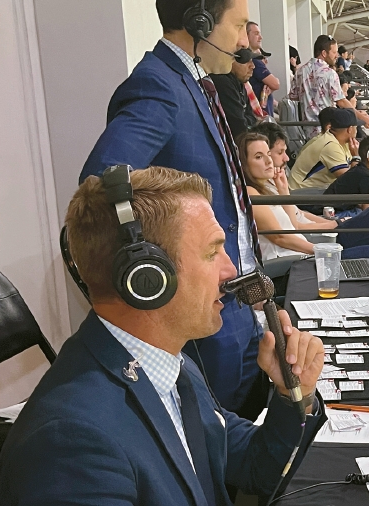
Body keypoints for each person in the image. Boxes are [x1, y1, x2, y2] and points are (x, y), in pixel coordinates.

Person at [0, 166, 326, 504]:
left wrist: (292, 393)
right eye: (212, 252)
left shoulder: (167, 363)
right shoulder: (71, 444)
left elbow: (253, 466)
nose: (230, 271)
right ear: (148, 278)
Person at [81, 0, 267, 418]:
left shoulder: (192, 82)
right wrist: (162, 260)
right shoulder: (158, 85)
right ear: (199, 23)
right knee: (217, 449)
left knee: (243, 433)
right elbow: (102, 183)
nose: (244, 43)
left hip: (234, 301)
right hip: (201, 308)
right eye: (238, 27)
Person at [240, 132, 369, 260]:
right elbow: (281, 237)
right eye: (259, 157)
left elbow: (294, 222)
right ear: (244, 164)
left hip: (310, 248)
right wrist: (324, 250)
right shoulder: (251, 193)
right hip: (301, 259)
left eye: (268, 154)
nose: (268, 161)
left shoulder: (269, 186)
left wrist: (283, 191)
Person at [289, 34, 369, 137]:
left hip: (307, 129)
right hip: (327, 129)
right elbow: (341, 101)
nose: (337, 55)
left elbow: (293, 97)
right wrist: (361, 116)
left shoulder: (300, 71)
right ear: (324, 53)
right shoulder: (330, 74)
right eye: (334, 52)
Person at [290, 108, 361, 190]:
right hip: (302, 193)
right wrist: (356, 156)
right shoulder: (330, 145)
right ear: (350, 129)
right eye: (356, 128)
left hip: (313, 190)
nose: (356, 131)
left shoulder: (340, 141)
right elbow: (350, 181)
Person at [211, 46, 258, 139]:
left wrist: (247, 120)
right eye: (246, 61)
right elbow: (239, 126)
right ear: (230, 61)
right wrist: (248, 120)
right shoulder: (222, 82)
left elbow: (252, 117)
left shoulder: (239, 83)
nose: (253, 66)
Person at [246, 21, 279, 118]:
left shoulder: (257, 61)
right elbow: (275, 84)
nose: (261, 37)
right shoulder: (255, 62)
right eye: (256, 34)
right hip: (259, 115)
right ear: (246, 36)